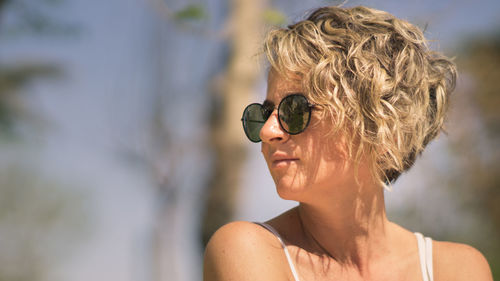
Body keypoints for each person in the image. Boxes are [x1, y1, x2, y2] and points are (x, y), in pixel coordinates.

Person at [203, 5, 493, 281]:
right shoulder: (247, 249)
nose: (268, 131)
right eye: (264, 113)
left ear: (383, 128)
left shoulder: (459, 269)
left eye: (295, 110)